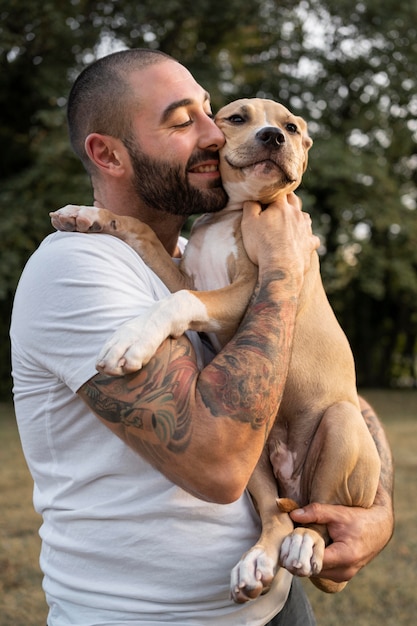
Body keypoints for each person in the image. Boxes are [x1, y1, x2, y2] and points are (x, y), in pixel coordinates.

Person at [10, 48, 393, 626]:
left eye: (213, 114)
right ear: (107, 153)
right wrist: (285, 271)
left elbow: (343, 398)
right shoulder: (76, 270)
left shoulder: (198, 262)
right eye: (183, 120)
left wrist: (378, 514)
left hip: (277, 601)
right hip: (148, 617)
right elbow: (219, 467)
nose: (214, 134)